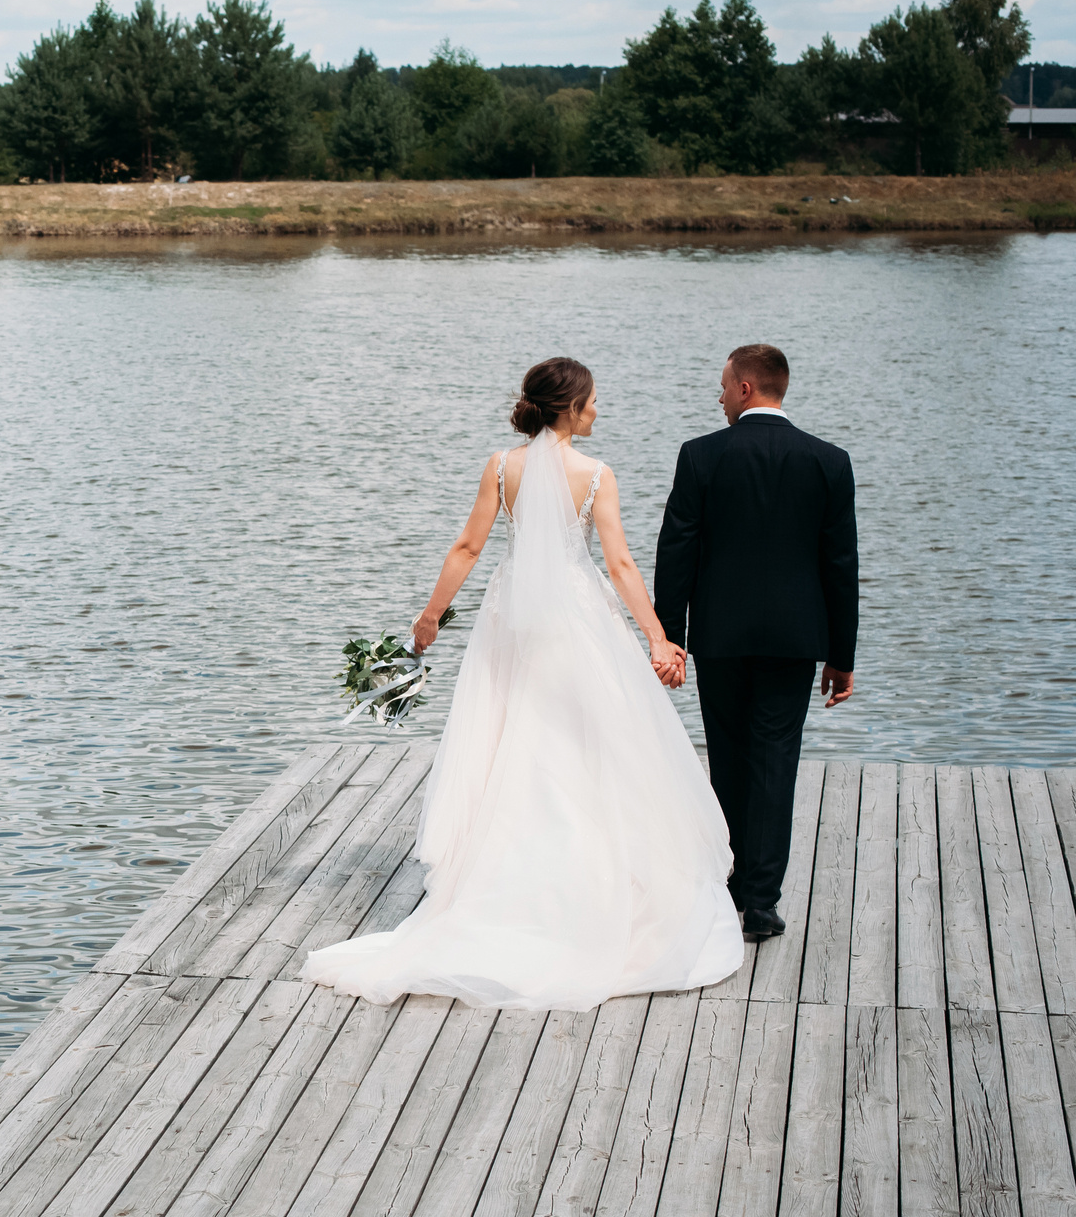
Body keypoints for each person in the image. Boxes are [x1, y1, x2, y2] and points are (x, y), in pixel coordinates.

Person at [301, 358, 744, 1012]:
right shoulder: (596, 475)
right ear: (570, 408)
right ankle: (590, 884)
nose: (598, 411)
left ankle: (508, 881)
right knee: (589, 744)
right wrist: (656, 637)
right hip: (577, 620)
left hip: (509, 622)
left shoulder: (501, 467)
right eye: (593, 401)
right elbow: (620, 563)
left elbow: (467, 547)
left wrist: (430, 618)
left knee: (514, 737)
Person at [654, 343, 859, 943]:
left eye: (723, 386)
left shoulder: (701, 455)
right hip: (795, 641)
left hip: (720, 637)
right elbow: (841, 565)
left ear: (745, 388)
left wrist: (670, 638)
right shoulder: (829, 461)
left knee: (728, 756)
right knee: (775, 760)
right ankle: (762, 902)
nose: (718, 397)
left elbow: (676, 551)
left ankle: (730, 883)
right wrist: (841, 656)